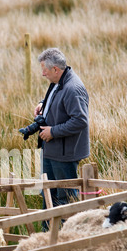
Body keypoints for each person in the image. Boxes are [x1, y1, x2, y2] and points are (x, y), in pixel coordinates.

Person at [34, 48, 90, 222]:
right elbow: (58, 101)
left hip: (65, 154)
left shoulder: (73, 88)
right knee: (48, 195)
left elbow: (80, 120)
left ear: (56, 70)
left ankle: (68, 238)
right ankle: (47, 236)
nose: (43, 74)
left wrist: (53, 131)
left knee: (65, 197)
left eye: (44, 70)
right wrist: (44, 104)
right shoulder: (59, 82)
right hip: (52, 150)